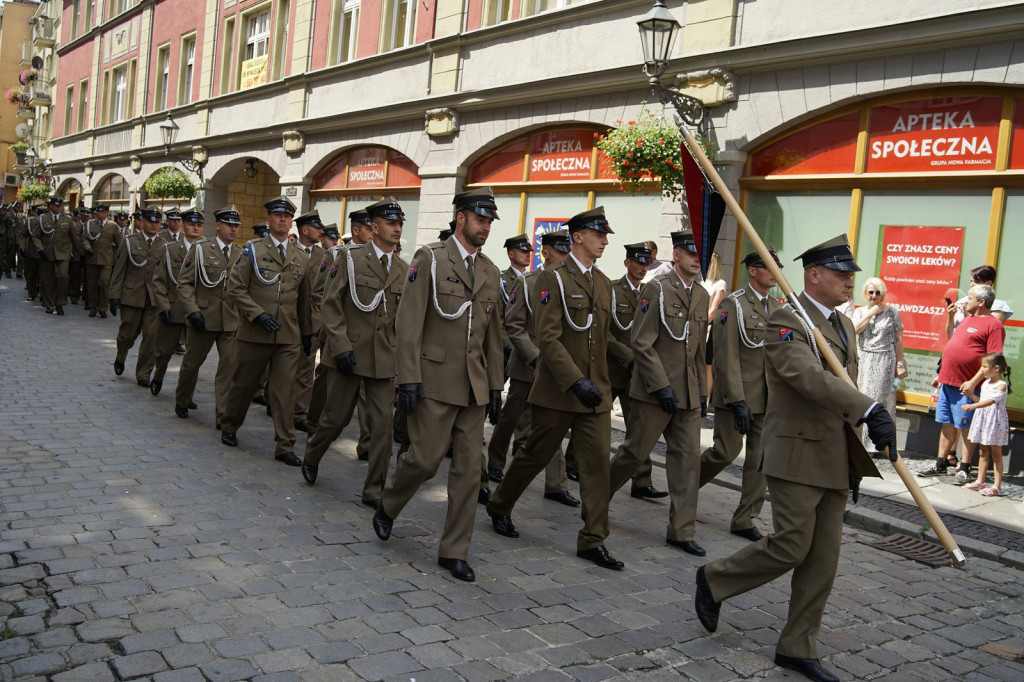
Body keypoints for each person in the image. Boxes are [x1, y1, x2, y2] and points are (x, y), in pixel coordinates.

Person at [694, 234, 896, 682]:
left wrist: (855, 452)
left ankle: (797, 646)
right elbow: (806, 377)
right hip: (795, 452)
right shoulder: (787, 319)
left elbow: (843, 386)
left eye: (851, 274)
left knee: (823, 560)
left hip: (834, 457)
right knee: (791, 545)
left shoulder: (844, 325)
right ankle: (715, 578)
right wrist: (868, 409)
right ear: (814, 275)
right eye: (841, 274)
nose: (850, 281)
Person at [485, 207, 633, 570]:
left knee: (596, 467)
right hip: (558, 390)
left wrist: (631, 360)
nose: (605, 241)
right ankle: (500, 504)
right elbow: (548, 338)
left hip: (595, 393)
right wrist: (575, 380)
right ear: (578, 237)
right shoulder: (552, 279)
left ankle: (593, 539)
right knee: (534, 455)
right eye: (599, 234)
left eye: (606, 235)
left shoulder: (603, 283)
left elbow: (603, 337)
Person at [371, 188, 505, 583]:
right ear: (461, 218)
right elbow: (409, 322)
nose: (486, 227)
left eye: (490, 221)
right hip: (434, 380)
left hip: (473, 387)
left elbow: (493, 336)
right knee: (425, 461)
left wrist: (495, 386)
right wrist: (408, 378)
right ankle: (389, 504)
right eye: (480, 219)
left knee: (469, 472)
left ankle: (454, 551)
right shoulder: (430, 259)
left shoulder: (490, 271)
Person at [301, 198, 409, 509]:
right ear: (374, 227)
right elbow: (331, 304)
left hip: (384, 358)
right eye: (391, 223)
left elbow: (403, 320)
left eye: (400, 223)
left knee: (382, 429)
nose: (397, 229)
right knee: (335, 420)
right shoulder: (348, 259)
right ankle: (312, 455)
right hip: (348, 354)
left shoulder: (403, 269)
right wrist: (340, 346)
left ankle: (374, 489)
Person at [609, 228, 709, 555]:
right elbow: (641, 342)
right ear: (676, 255)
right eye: (690, 253)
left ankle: (682, 531)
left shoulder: (702, 295)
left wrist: (702, 390)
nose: (696, 259)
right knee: (633, 454)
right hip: (654, 392)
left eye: (700, 254)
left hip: (687, 394)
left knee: (688, 463)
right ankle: (596, 499)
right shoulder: (657, 289)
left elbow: (698, 350)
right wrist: (662, 385)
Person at [488, 229, 579, 508]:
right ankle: (495, 462)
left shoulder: (568, 283)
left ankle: (556, 485)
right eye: (560, 251)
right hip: (528, 367)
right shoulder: (527, 282)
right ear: (546, 253)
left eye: (567, 251)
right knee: (510, 418)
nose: (565, 256)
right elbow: (514, 326)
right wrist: (535, 358)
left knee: (552, 427)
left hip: (555, 370)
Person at [698, 248, 784, 543]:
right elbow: (725, 356)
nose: (775, 272)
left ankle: (745, 518)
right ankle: (685, 488)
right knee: (725, 452)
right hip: (737, 395)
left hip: (767, 398)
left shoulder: (777, 308)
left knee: (760, 460)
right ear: (753, 270)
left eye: (777, 267)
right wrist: (737, 400)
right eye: (769, 266)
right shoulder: (732, 305)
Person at [219, 196, 313, 466]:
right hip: (254, 334)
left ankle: (285, 445)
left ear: (291, 222)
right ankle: (229, 425)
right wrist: (257, 314)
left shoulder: (300, 257)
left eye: (287, 216)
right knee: (244, 385)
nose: (282, 220)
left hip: (287, 336)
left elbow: (304, 300)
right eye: (277, 215)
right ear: (269, 220)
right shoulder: (252, 250)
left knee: (285, 391)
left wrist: (307, 333)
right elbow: (235, 289)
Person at [920, 284, 1004, 481]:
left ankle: (965, 466)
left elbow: (993, 358)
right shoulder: (967, 319)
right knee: (947, 423)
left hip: (966, 386)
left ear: (981, 302)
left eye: (970, 298)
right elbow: (952, 341)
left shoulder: (994, 325)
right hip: (949, 381)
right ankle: (941, 462)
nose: (966, 301)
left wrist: (973, 382)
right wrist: (941, 374)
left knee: (966, 426)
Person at [173, 207, 242, 422]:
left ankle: (223, 416)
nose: (233, 229)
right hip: (202, 317)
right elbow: (184, 283)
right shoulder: (200, 249)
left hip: (230, 320)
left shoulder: (241, 252)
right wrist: (192, 311)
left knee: (229, 368)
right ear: (218, 226)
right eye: (229, 225)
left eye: (236, 226)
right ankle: (183, 399)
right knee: (191, 364)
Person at [610, 242, 667, 499]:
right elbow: (604, 333)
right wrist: (628, 358)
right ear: (627, 263)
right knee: (593, 422)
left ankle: (641, 481)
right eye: (639, 263)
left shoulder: (650, 292)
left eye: (647, 264)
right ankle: (574, 464)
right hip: (612, 368)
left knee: (639, 430)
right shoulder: (612, 290)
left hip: (636, 374)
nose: (643, 268)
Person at [149, 205, 205, 396]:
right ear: (183, 226)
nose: (195, 228)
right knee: (164, 352)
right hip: (174, 309)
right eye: (191, 224)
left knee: (193, 358)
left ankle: (185, 396)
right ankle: (158, 376)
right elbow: (158, 281)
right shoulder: (169, 249)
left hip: (197, 311)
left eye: (199, 225)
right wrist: (163, 307)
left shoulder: (207, 249)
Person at [108, 207, 165, 386]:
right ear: (142, 222)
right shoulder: (130, 241)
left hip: (154, 299)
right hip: (132, 296)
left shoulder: (164, 245)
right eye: (150, 221)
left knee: (151, 337)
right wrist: (114, 295)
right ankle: (121, 355)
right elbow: (119, 270)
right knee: (127, 334)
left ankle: (143, 374)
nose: (154, 225)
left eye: (157, 222)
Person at [851, 277, 907, 454]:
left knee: (880, 399)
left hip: (884, 359)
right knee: (862, 396)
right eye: (871, 292)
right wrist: (870, 313)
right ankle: (861, 441)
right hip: (864, 358)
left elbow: (899, 339)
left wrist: (900, 363)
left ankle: (879, 444)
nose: (874, 296)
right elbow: (854, 330)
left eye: (877, 292)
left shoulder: (892, 312)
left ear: (882, 294)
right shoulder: (860, 312)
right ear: (865, 294)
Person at [291, 210, 326, 433]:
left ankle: (299, 413)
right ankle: (276, 403)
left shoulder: (325, 256)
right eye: (317, 227)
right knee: (283, 368)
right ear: (304, 230)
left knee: (305, 370)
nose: (321, 231)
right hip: (287, 319)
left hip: (312, 321)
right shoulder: (288, 251)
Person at [962, 353, 1010, 496]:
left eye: (984, 367)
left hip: (995, 422)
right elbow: (982, 400)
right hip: (984, 420)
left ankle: (996, 486)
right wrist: (971, 396)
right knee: (983, 452)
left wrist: (973, 406)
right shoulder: (985, 383)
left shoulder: (1001, 386)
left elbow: (990, 402)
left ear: (996, 368)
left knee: (996, 454)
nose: (982, 370)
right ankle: (980, 481)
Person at [946, 265, 1013, 337]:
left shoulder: (998, 305)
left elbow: (987, 330)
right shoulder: (962, 301)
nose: (972, 284)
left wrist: (966, 314)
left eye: (976, 281)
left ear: (988, 283)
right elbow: (950, 335)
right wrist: (951, 315)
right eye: (971, 281)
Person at [83, 204, 121, 319]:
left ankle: (103, 308)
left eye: (102, 212)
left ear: (106, 213)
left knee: (104, 283)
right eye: (98, 212)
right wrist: (87, 248)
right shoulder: (90, 224)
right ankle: (93, 307)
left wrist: (118, 256)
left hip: (107, 260)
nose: (99, 214)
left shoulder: (113, 226)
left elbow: (119, 243)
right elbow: (84, 238)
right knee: (92, 284)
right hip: (92, 258)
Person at [701, 252, 727, 396]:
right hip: (696, 324)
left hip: (709, 327)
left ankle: (705, 398)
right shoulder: (701, 281)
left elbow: (713, 310)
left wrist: (702, 324)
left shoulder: (720, 284)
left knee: (707, 364)